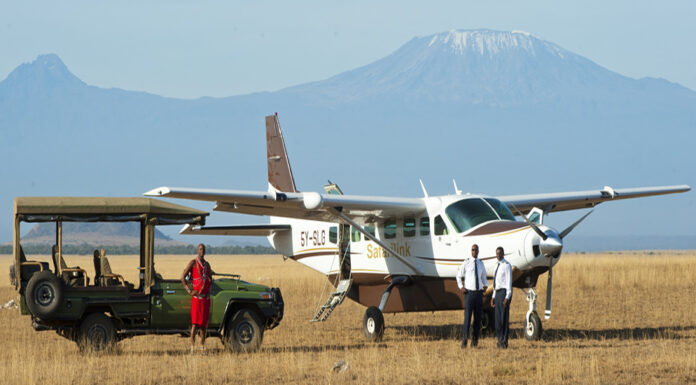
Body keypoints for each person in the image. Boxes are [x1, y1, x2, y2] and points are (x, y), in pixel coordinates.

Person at [181, 243, 215, 354]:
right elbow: (182, 277)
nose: (202, 251)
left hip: (205, 298)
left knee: (204, 325)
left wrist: (208, 288)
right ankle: (192, 347)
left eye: (203, 249)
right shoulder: (193, 263)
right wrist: (189, 290)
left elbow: (210, 278)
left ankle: (202, 346)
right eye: (200, 249)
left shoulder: (207, 265)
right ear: (197, 250)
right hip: (196, 298)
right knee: (195, 324)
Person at [456, 243, 488, 348]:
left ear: (478, 251)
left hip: (478, 294)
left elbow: (483, 277)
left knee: (477, 319)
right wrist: (461, 287)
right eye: (473, 250)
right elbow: (458, 276)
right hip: (469, 294)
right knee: (467, 318)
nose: (474, 251)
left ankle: (474, 342)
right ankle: (464, 340)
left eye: (476, 250)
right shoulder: (467, 262)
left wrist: (485, 285)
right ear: (471, 251)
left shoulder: (480, 264)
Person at [490, 246, 512, 348]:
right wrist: (493, 296)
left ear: (503, 254)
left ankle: (504, 341)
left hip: (504, 293)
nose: (498, 255)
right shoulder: (496, 265)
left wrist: (507, 297)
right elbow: (495, 283)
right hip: (497, 293)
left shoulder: (506, 265)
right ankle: (499, 339)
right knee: (497, 320)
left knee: (504, 319)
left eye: (500, 253)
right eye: (497, 253)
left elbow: (509, 282)